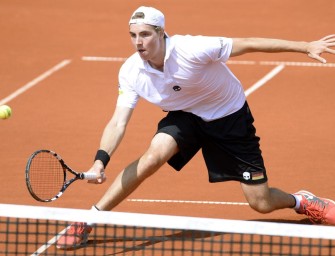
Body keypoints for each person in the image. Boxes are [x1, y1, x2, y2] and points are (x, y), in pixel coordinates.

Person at [56, 6, 335, 249]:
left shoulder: (193, 48)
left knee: (260, 202)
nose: (138, 42)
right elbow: (118, 121)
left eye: (145, 34)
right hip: (186, 115)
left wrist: (304, 46)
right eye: (133, 35)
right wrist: (99, 161)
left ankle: (302, 201)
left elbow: (248, 43)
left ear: (161, 32)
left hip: (229, 117)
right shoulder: (131, 71)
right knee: (152, 157)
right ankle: (88, 220)